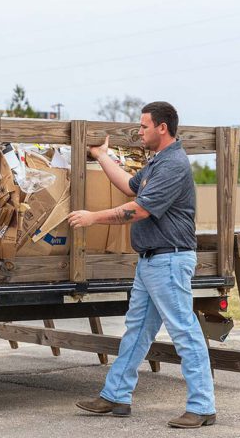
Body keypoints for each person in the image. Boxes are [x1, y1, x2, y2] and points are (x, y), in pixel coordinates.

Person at [67, 101, 216, 429]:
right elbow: (129, 187)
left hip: (170, 259)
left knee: (184, 332)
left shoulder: (174, 164)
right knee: (137, 330)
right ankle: (116, 396)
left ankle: (202, 405)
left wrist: (94, 218)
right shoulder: (157, 163)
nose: (139, 131)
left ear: (162, 128)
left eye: (143, 126)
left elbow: (140, 209)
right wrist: (102, 155)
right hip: (152, 260)